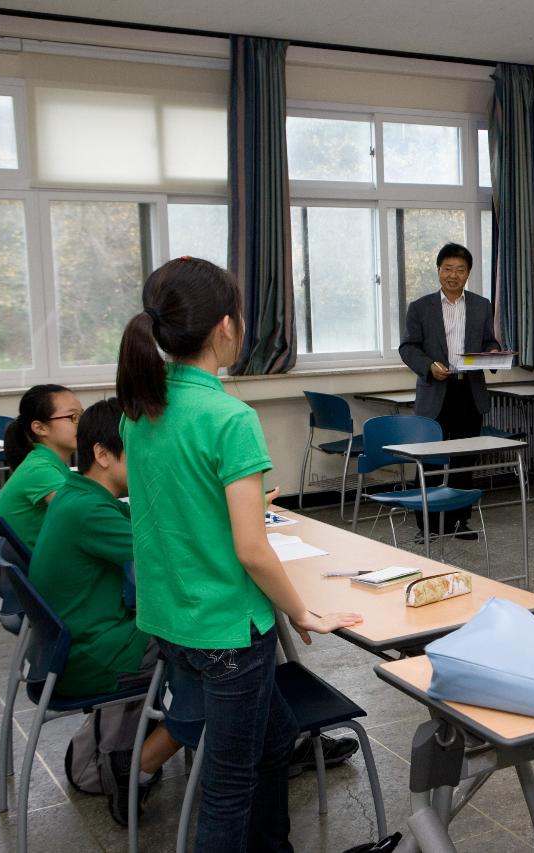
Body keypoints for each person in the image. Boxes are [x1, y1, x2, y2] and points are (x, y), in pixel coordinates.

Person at [116, 256, 362, 853]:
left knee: (274, 740)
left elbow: (168, 511)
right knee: (227, 790)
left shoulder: (139, 411)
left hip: (171, 620)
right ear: (226, 326)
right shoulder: (230, 418)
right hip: (226, 632)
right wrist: (302, 613)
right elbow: (252, 550)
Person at [26, 398, 184, 826]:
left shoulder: (81, 495)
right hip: (95, 654)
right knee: (214, 651)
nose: (150, 460)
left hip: (74, 646)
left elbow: (139, 522)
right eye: (141, 449)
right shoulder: (88, 510)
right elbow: (168, 555)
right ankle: (140, 761)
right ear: (102, 454)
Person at [397, 243, 500, 541]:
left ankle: (460, 522)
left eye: (460, 270)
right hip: (435, 391)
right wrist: (429, 366)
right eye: (447, 269)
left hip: (469, 391)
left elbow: (488, 341)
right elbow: (408, 347)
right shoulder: (420, 307)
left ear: (468, 273)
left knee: (464, 461)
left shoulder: (481, 305)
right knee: (428, 460)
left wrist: (493, 352)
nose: (453, 275)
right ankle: (426, 526)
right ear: (438, 270)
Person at [0, 384, 82, 549]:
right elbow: (79, 515)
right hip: (40, 568)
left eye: (82, 415)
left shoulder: (46, 462)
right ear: (40, 428)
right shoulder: (40, 468)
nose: (82, 424)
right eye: (73, 417)